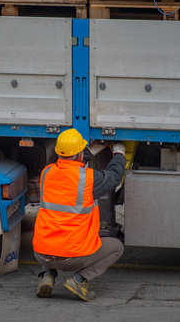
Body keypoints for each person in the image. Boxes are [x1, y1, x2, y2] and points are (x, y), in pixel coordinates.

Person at [32, 128, 126, 301]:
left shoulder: (47, 173)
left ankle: (47, 275)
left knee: (49, 234)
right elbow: (113, 176)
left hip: (42, 254)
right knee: (116, 247)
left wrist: (89, 151)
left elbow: (69, 162)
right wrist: (119, 153)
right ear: (80, 155)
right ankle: (79, 279)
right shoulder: (88, 179)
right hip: (71, 258)